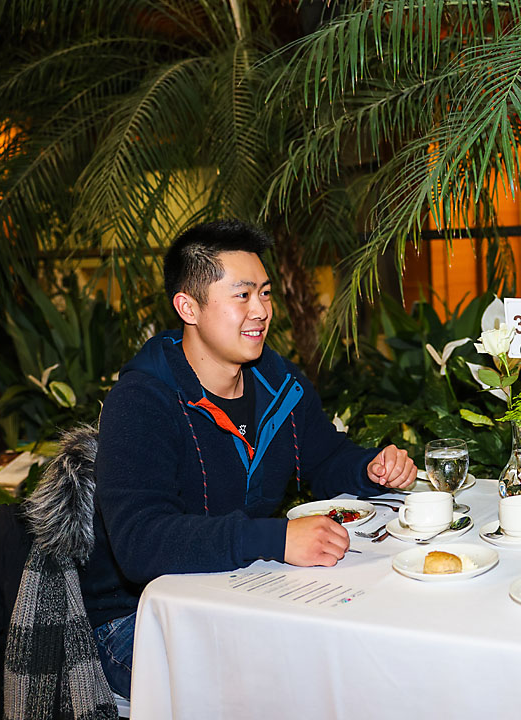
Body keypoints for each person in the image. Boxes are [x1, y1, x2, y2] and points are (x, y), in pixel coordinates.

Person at [80, 219, 417, 697]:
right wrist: (275, 538)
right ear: (188, 307)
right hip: (134, 618)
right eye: (242, 295)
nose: (261, 310)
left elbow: (324, 460)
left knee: (357, 655)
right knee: (281, 687)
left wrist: (370, 468)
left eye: (265, 293)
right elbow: (141, 543)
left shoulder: (277, 382)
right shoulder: (143, 400)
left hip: (238, 592)